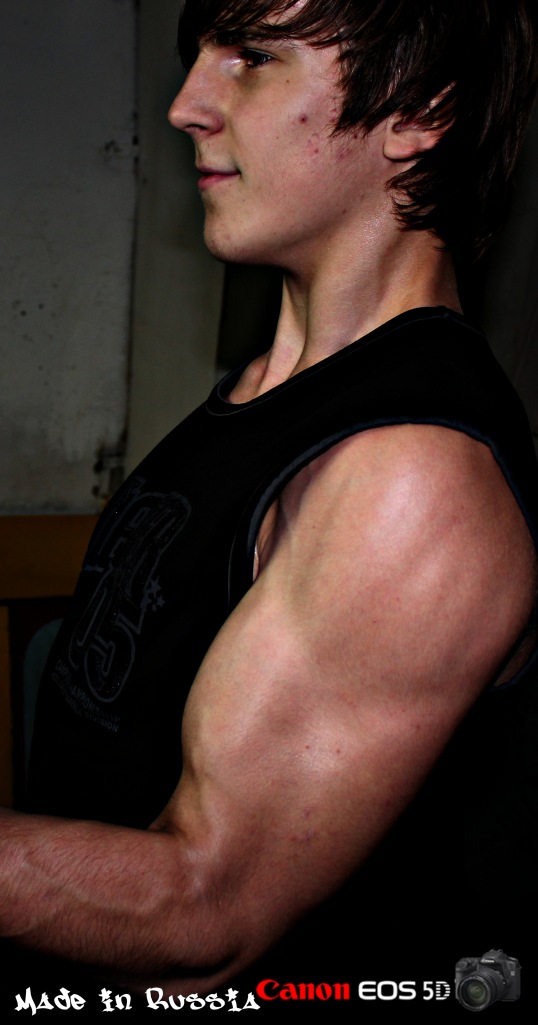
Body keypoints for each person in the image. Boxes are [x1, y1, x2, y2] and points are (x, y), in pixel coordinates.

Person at [2, 0, 538, 1011]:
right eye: (197, 56)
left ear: (418, 111)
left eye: (252, 58)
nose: (185, 105)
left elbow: (202, 910)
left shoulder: (410, 472)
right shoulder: (267, 390)